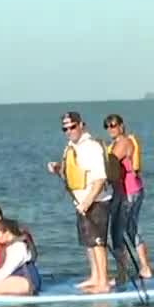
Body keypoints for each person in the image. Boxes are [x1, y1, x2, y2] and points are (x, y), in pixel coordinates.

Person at [47, 111, 114, 293]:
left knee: (98, 242)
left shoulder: (92, 146)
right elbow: (71, 173)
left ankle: (103, 281)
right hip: (80, 202)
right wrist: (58, 169)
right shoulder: (70, 148)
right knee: (88, 241)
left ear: (81, 125)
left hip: (97, 201)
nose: (69, 131)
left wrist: (88, 201)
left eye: (72, 127)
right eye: (65, 128)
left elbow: (100, 179)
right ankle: (95, 276)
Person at [103, 114, 154, 281]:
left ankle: (127, 272)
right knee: (128, 229)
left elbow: (111, 163)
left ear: (121, 126)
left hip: (130, 191)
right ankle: (133, 270)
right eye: (107, 126)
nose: (111, 128)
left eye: (113, 125)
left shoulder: (124, 143)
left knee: (122, 230)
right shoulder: (115, 144)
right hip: (125, 191)